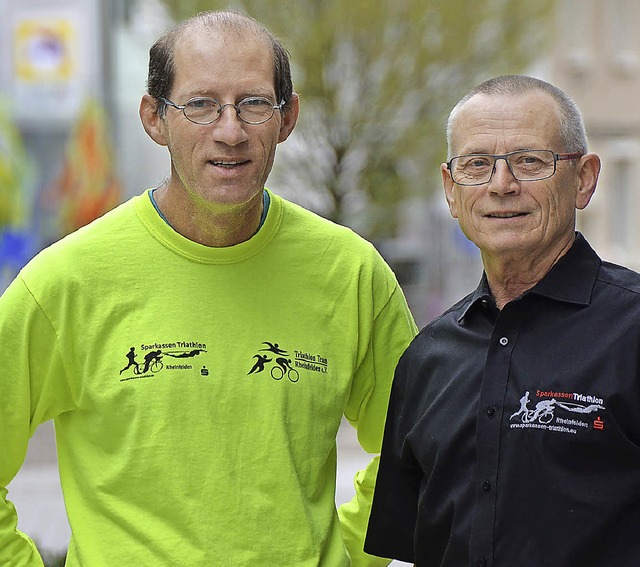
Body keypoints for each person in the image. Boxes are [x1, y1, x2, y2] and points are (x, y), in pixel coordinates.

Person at [0, 10, 417, 566]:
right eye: (199, 104)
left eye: (254, 103)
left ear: (288, 117)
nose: (230, 130)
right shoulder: (65, 283)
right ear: (154, 118)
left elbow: (416, 451)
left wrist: (349, 555)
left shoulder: (352, 274)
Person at [365, 74, 640, 566]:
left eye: (529, 161)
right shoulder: (427, 357)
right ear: (451, 190)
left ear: (584, 179)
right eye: (477, 165)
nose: (501, 185)